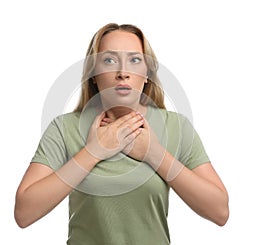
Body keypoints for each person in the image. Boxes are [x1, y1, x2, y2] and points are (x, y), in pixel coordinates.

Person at [14, 23, 229, 244]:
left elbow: (220, 211)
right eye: (109, 60)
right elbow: (24, 213)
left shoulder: (176, 127)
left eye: (135, 60)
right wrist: (93, 152)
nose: (122, 73)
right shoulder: (64, 128)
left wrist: (154, 154)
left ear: (147, 74)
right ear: (94, 75)